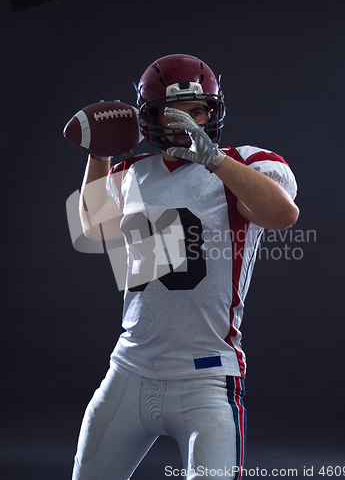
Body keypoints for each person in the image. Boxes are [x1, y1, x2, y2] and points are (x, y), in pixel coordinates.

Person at [72, 54, 299, 480]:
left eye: (196, 110)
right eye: (170, 112)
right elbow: (94, 229)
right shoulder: (130, 171)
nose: (185, 121)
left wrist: (214, 160)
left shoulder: (246, 163)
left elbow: (282, 215)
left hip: (206, 376)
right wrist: (100, 153)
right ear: (149, 119)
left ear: (212, 112)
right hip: (129, 369)